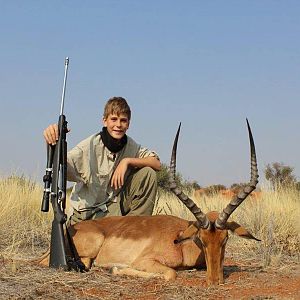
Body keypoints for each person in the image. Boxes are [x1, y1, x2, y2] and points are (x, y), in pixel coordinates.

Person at [43, 97, 161, 225]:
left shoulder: (132, 146)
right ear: (104, 121)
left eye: (123, 120)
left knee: (148, 173)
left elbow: (156, 163)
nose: (118, 125)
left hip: (113, 210)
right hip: (87, 214)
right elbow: (61, 165)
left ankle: (135, 229)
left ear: (128, 124)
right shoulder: (88, 147)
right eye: (114, 119)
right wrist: (53, 142)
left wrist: (127, 161)